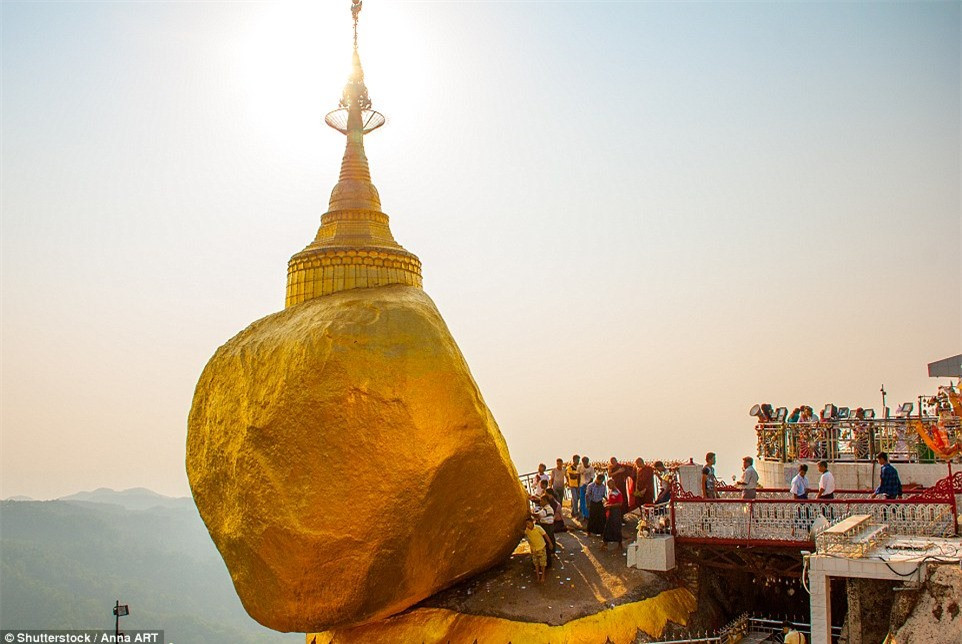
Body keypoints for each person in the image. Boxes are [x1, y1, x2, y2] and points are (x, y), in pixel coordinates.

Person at [523, 518, 551, 583]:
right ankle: (538, 576)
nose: (527, 525)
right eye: (526, 524)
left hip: (541, 548)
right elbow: (524, 532)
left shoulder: (538, 528)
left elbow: (545, 535)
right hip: (534, 549)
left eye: (528, 523)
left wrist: (550, 543)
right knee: (536, 563)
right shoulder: (527, 530)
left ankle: (543, 576)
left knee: (542, 563)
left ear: (532, 522)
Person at [532, 496, 556, 568]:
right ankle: (547, 561)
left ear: (545, 501)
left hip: (547, 527)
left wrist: (530, 513)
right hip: (549, 527)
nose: (540, 502)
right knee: (548, 543)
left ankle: (547, 563)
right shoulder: (547, 508)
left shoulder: (547, 509)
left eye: (542, 501)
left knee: (546, 545)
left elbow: (538, 515)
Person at [601, 478, 624, 550]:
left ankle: (619, 543)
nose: (608, 487)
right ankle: (605, 542)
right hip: (610, 511)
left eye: (609, 485)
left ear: (613, 484)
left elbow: (620, 504)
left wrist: (610, 506)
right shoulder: (610, 491)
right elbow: (610, 500)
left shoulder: (618, 493)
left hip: (616, 511)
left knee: (616, 527)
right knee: (608, 527)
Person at [579, 456, 595, 523]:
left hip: (588, 485)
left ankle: (589, 516)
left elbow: (592, 478)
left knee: (588, 501)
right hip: (582, 485)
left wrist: (588, 485)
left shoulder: (591, 468)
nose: (585, 463)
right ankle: (584, 515)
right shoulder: (580, 467)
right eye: (584, 461)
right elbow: (578, 476)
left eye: (586, 461)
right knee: (582, 501)